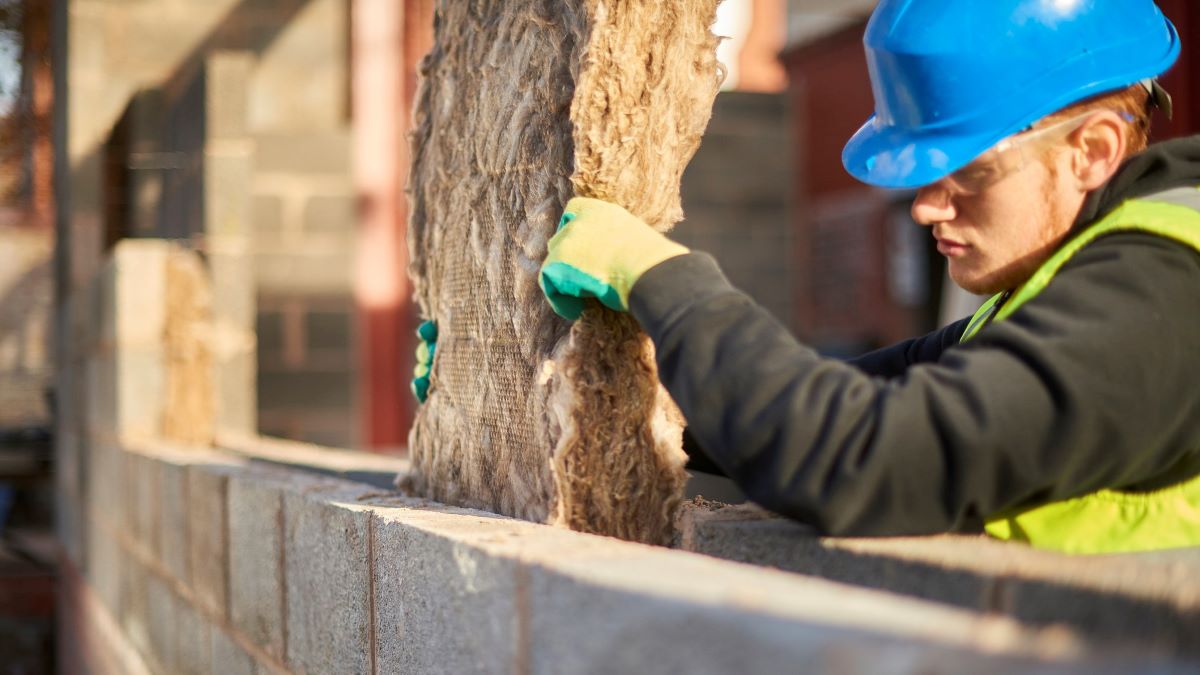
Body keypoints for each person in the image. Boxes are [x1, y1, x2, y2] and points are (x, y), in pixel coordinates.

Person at [537, 0, 1200, 554]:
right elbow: (853, 397)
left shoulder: (1168, 298)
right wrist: (566, 391)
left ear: (1092, 152)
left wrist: (663, 279)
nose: (926, 207)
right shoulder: (1067, 281)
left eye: (967, 172)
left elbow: (858, 455)